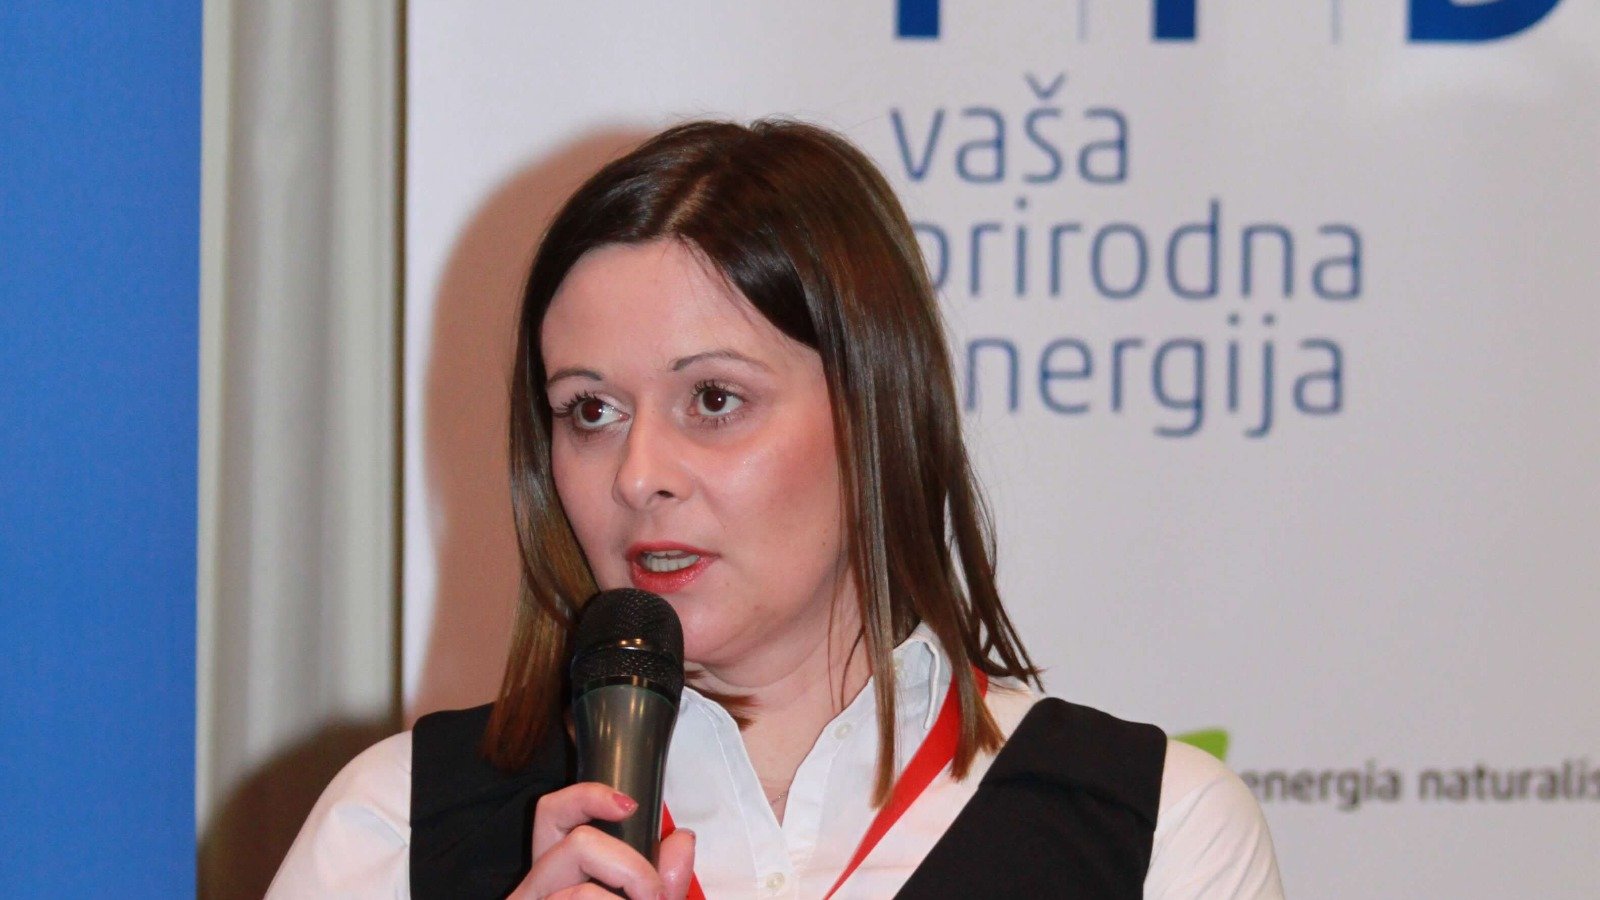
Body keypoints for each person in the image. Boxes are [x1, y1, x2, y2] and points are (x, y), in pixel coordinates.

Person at [269, 120, 1284, 899]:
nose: (637, 475)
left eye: (714, 400)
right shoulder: (398, 826)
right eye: (589, 410)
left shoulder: (1152, 832)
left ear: (874, 413)